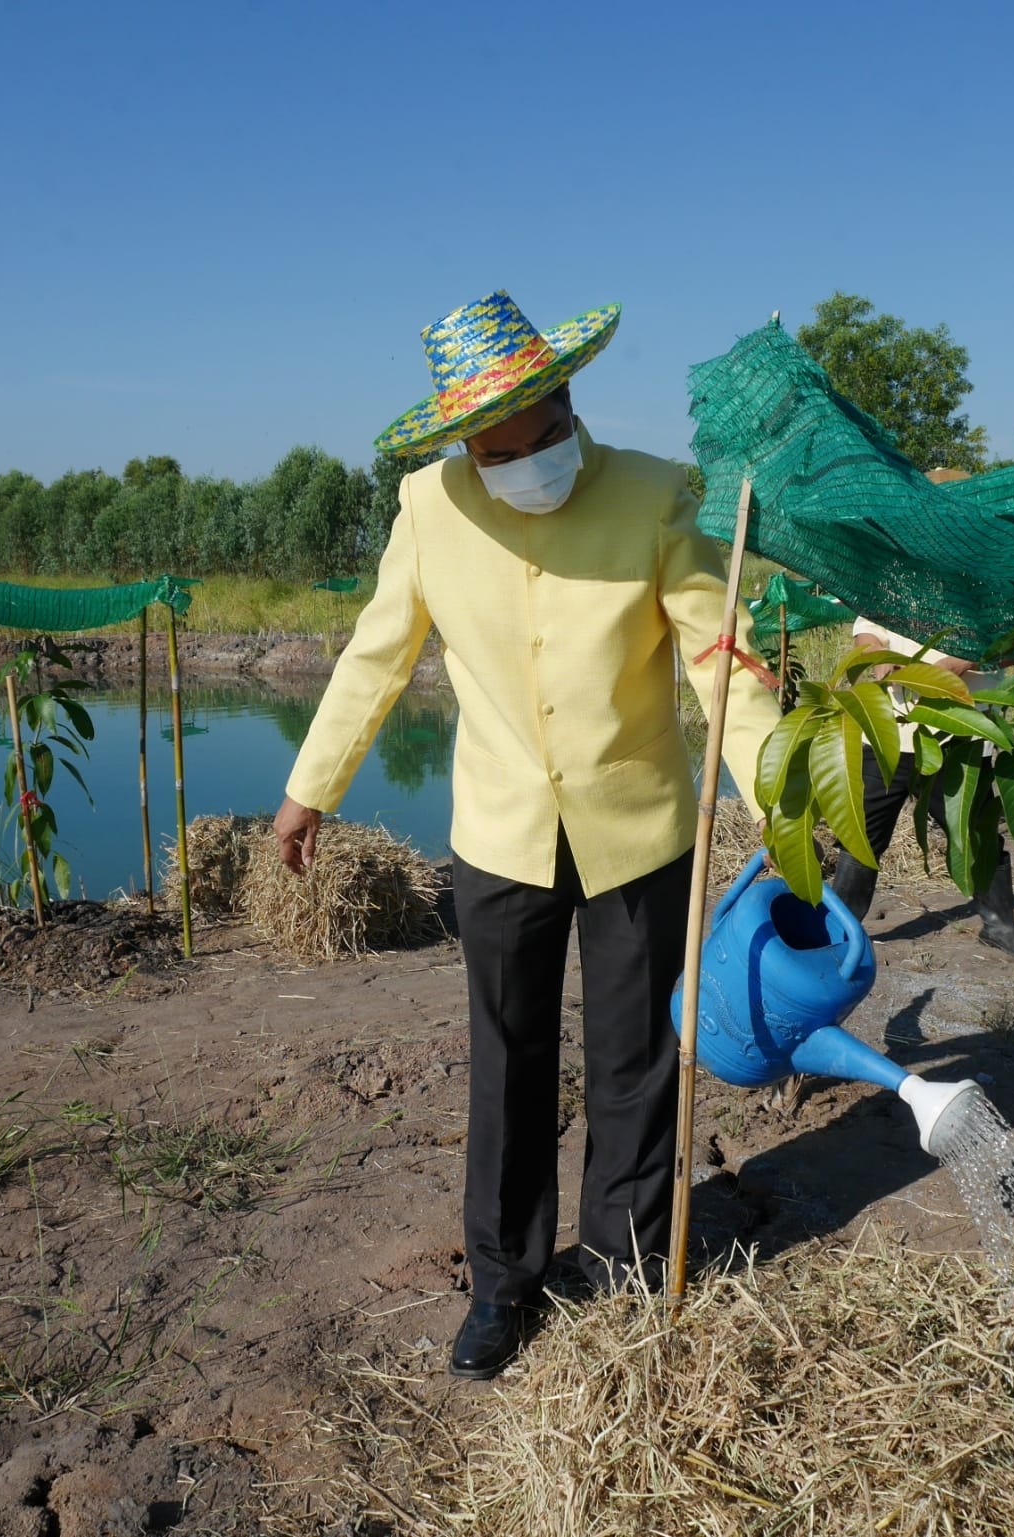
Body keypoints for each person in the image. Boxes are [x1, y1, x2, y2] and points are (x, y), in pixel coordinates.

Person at [273, 291, 780, 1378]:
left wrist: (781, 802)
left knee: (636, 1057)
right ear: (463, 442)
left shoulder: (654, 494)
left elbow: (718, 660)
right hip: (498, 837)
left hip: (636, 831)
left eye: (543, 435)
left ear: (566, 396)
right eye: (499, 449)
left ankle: (625, 1257)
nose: (527, 462)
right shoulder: (429, 507)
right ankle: (502, 1283)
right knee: (506, 1064)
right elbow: (376, 654)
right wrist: (309, 788)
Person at [829, 612, 1014, 962]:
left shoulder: (983, 586)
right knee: (861, 835)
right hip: (888, 732)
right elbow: (867, 632)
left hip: (960, 735)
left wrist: (961, 663)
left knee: (977, 833)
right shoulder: (893, 581)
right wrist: (877, 659)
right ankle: (838, 931)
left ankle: (1000, 926)